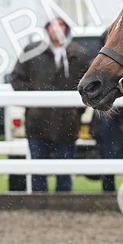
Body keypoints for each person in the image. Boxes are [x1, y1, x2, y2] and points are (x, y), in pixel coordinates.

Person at [9, 18, 90, 192]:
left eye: (61, 25)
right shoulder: (32, 51)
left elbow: (88, 85)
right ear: (47, 29)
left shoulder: (79, 54)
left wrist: (77, 110)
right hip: (37, 121)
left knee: (65, 171)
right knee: (38, 170)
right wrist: (31, 103)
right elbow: (16, 78)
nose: (56, 29)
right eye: (53, 25)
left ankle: (64, 204)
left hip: (67, 123)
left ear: (66, 28)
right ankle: (39, 204)